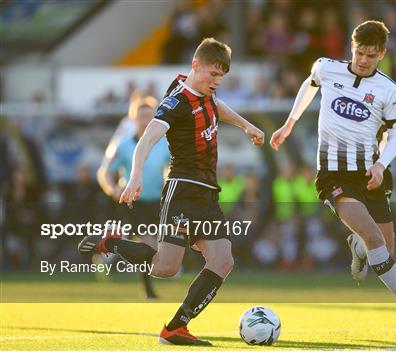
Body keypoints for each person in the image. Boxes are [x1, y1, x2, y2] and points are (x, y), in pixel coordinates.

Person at [78, 38, 265, 346]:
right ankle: (110, 243)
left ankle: (176, 327)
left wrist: (246, 125)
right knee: (166, 268)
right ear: (195, 65)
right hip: (183, 191)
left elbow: (217, 107)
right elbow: (147, 138)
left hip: (208, 194)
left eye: (221, 77)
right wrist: (136, 174)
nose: (216, 82)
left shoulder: (206, 95)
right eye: (212, 75)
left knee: (223, 261)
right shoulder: (175, 102)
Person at [270, 20, 396, 331]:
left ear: (382, 54)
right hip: (334, 175)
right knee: (374, 237)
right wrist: (290, 123)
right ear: (352, 46)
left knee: (384, 249)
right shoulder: (326, 68)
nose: (363, 60)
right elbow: (309, 84)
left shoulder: (388, 89)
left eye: (371, 55)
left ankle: (357, 246)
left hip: (370, 174)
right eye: (360, 52)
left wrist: (381, 165)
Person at [97, 99, 170, 299]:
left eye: (150, 116)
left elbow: (172, 167)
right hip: (133, 202)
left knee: (153, 246)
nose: (146, 121)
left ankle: (111, 251)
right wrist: (113, 189)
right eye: (142, 117)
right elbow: (104, 172)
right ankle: (148, 291)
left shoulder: (164, 143)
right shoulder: (123, 144)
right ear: (133, 119)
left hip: (158, 201)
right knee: (147, 243)